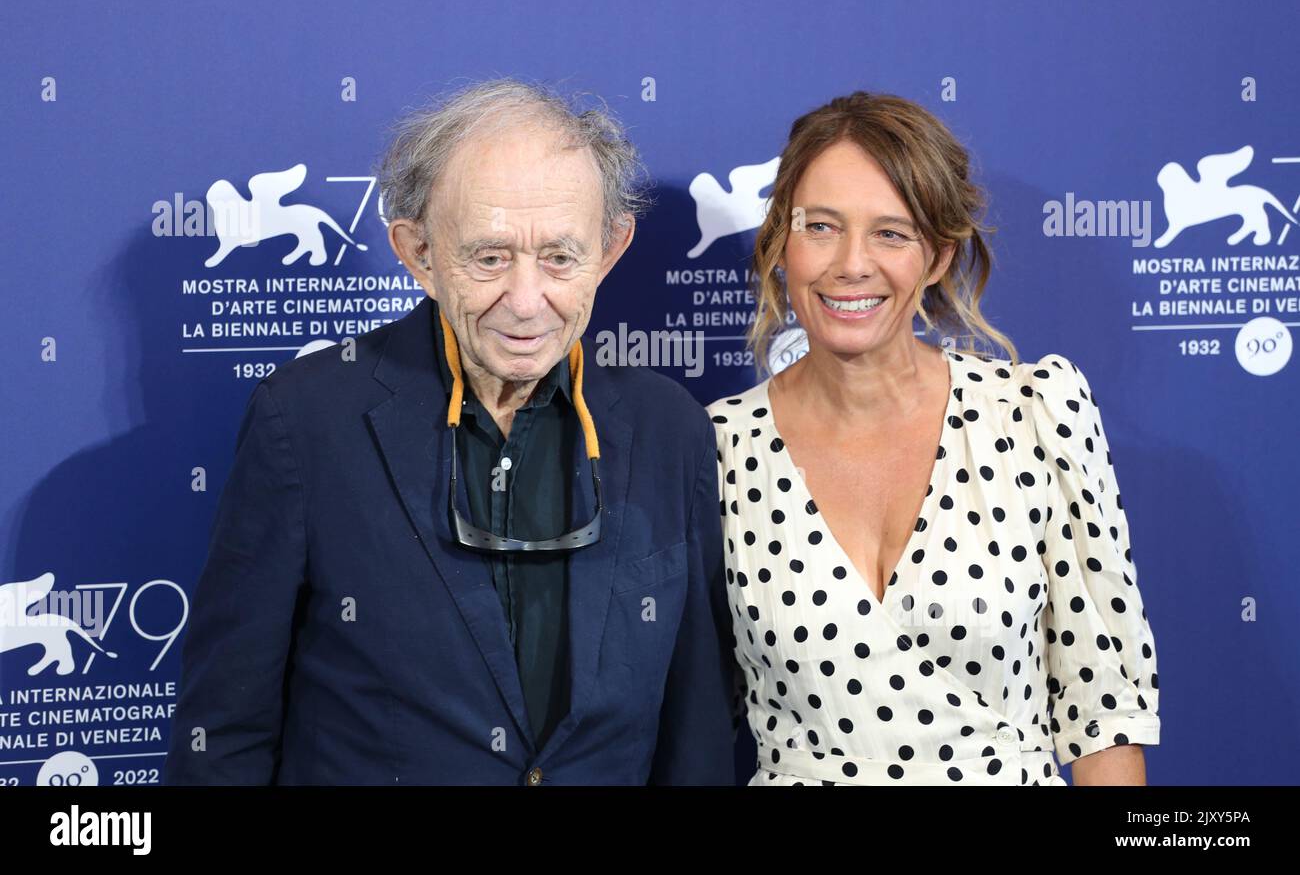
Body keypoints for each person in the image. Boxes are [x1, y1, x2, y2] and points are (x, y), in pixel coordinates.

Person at [164, 79, 736, 785]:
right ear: (418, 252)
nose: (527, 303)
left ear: (611, 250)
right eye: (490, 258)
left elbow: (698, 725)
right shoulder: (306, 422)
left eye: (560, 257)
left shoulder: (667, 427)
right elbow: (224, 729)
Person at [707, 91, 1160, 786]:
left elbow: (1106, 718)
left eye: (891, 233)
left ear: (940, 256)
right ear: (781, 241)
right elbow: (685, 714)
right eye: (822, 226)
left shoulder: (1036, 414)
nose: (851, 264)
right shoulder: (715, 449)